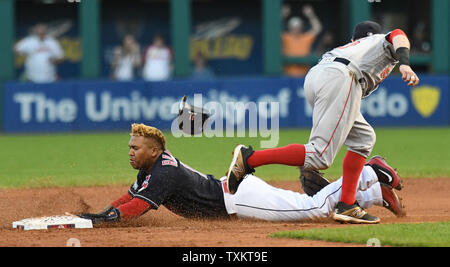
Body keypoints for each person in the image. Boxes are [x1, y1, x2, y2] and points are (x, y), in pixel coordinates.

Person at [226, 21, 419, 224]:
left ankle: (347, 204)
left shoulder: (352, 47)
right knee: (320, 155)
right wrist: (405, 62)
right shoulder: (379, 42)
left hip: (319, 76)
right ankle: (249, 159)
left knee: (363, 139)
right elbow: (398, 34)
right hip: (341, 77)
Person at [77, 123, 404, 224]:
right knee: (307, 205)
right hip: (237, 193)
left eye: (136, 147)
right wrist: (102, 214)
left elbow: (136, 207)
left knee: (314, 209)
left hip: (239, 199)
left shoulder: (163, 171)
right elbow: (131, 197)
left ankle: (368, 173)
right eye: (130, 147)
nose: (131, 152)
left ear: (154, 150)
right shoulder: (155, 167)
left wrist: (105, 220)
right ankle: (372, 190)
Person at [282, 5, 322, 77]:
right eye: (293, 27)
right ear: (289, 27)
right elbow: (273, 31)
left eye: (298, 27)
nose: (296, 29)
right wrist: (282, 15)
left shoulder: (305, 38)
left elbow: (318, 28)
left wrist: (311, 15)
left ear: (301, 27)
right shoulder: (286, 37)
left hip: (304, 75)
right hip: (288, 76)